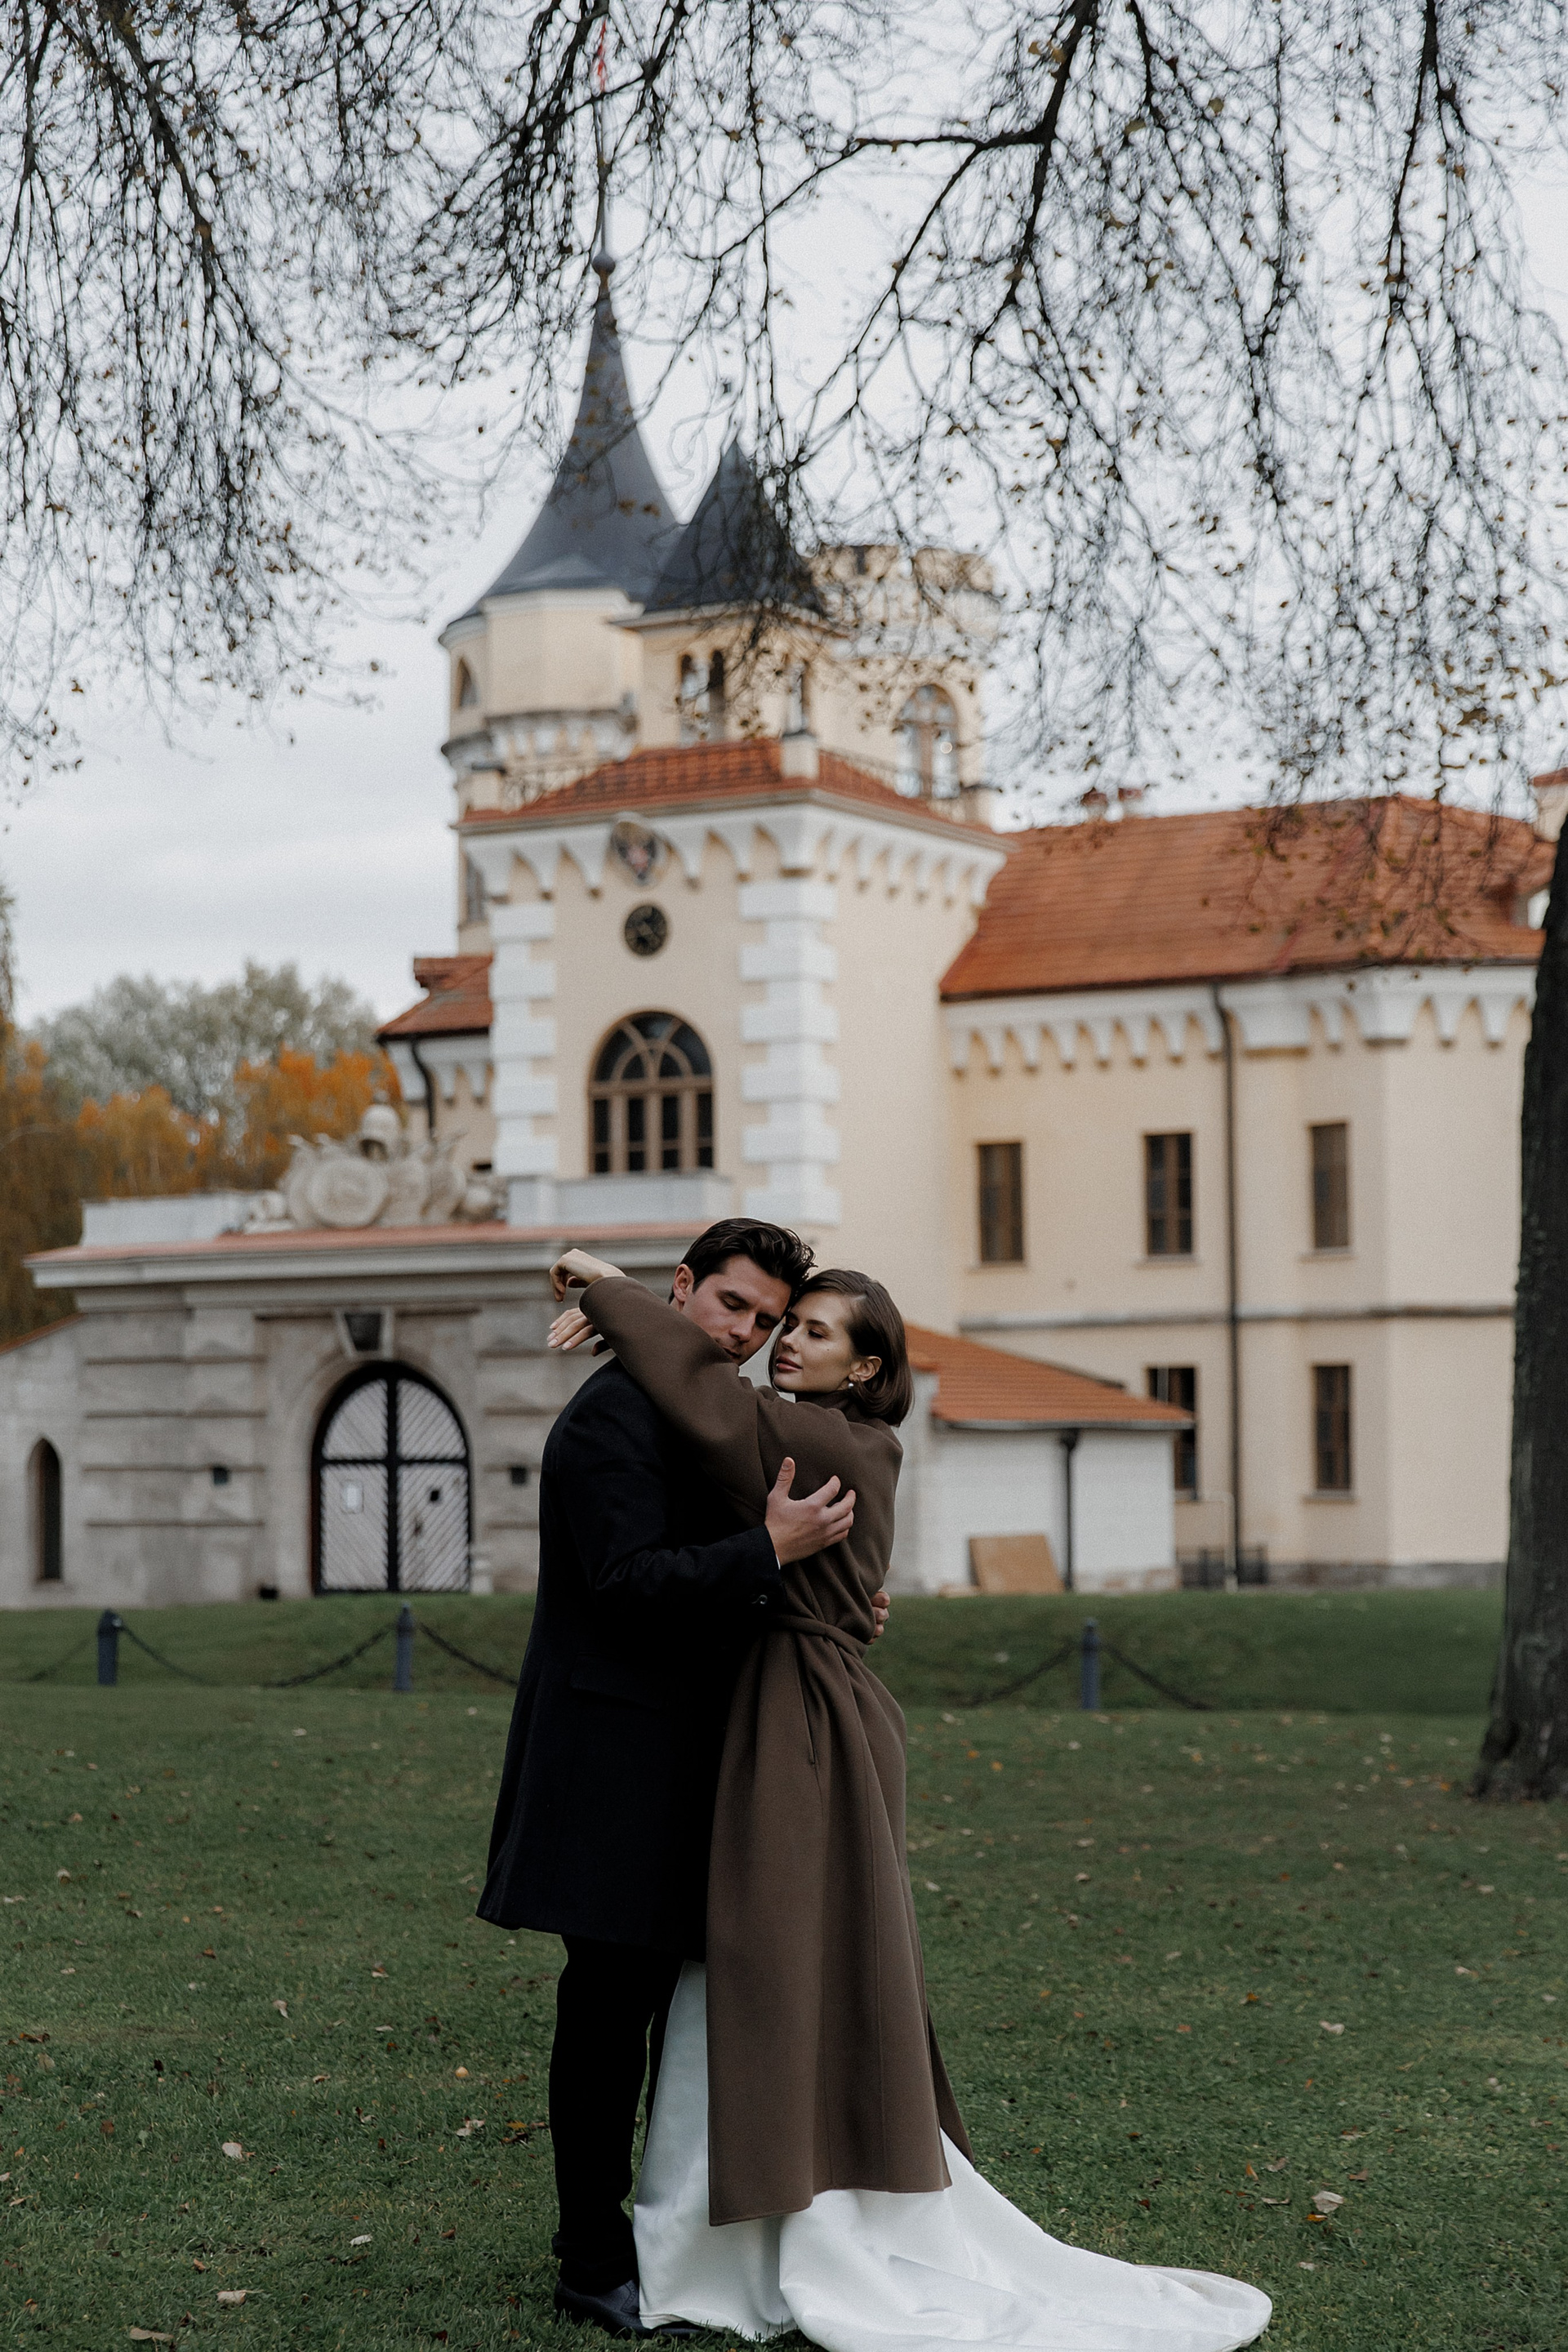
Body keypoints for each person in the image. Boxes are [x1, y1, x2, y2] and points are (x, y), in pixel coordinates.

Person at [549, 1252, 1273, 2352]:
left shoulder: (821, 1438)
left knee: (779, 1963)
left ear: (863, 1367)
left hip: (802, 1726)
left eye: (809, 1330)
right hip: (795, 1704)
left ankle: (782, 2217)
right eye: (777, 1321)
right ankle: (745, 2215)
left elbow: (704, 1397)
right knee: (769, 1969)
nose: (778, 1341)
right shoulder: (836, 1435)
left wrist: (607, 1286)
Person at [478, 1218, 884, 2341]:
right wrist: (770, 1552)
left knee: (679, 2014)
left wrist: (823, 1595)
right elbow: (626, 1584)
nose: (747, 1334)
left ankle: (673, 2240)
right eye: (731, 1305)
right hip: (612, 1765)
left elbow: (734, 1571)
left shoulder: (703, 1410)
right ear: (683, 1288)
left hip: (695, 1759)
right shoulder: (611, 1417)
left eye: (767, 1320)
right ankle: (590, 2259)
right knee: (608, 2015)